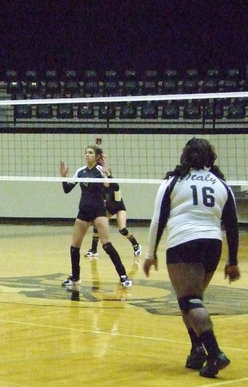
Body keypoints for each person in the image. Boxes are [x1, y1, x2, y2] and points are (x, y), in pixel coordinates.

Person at [143, 138, 239, 378]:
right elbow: (232, 224)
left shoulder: (174, 181)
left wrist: (150, 253)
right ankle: (197, 351)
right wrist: (233, 260)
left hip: (184, 242)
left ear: (185, 156)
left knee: (190, 302)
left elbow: (158, 219)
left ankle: (214, 353)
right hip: (212, 245)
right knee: (192, 300)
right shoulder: (221, 184)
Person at [59, 145, 132, 288]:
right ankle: (75, 277)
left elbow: (115, 188)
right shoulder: (81, 172)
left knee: (107, 245)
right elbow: (67, 190)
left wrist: (108, 174)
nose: (87, 155)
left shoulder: (101, 171)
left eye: (90, 153)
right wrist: (63, 177)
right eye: (86, 152)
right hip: (83, 211)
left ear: (97, 156)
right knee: (75, 246)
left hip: (99, 211)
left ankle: (123, 276)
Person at [85, 155, 141, 261]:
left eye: (105, 176)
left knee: (122, 229)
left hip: (118, 207)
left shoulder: (114, 186)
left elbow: (117, 202)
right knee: (97, 225)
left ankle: (136, 245)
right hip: (109, 208)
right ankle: (93, 250)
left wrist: (105, 208)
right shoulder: (99, 187)